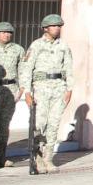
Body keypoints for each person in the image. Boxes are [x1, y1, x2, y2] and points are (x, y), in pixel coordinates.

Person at [20, 14, 73, 173]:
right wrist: (27, 92)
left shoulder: (63, 46)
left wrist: (69, 88)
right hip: (41, 88)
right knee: (39, 124)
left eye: (59, 26)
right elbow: (27, 69)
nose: (57, 28)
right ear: (45, 28)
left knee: (54, 124)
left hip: (58, 88)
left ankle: (48, 158)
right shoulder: (36, 45)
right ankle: (37, 156)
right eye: (54, 26)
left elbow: (69, 68)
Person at [0, 22, 24, 169]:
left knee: (5, 125)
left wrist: (21, 89)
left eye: (9, 32)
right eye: (3, 32)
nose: (7, 34)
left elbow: (22, 69)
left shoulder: (18, 49)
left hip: (11, 89)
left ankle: (2, 157)